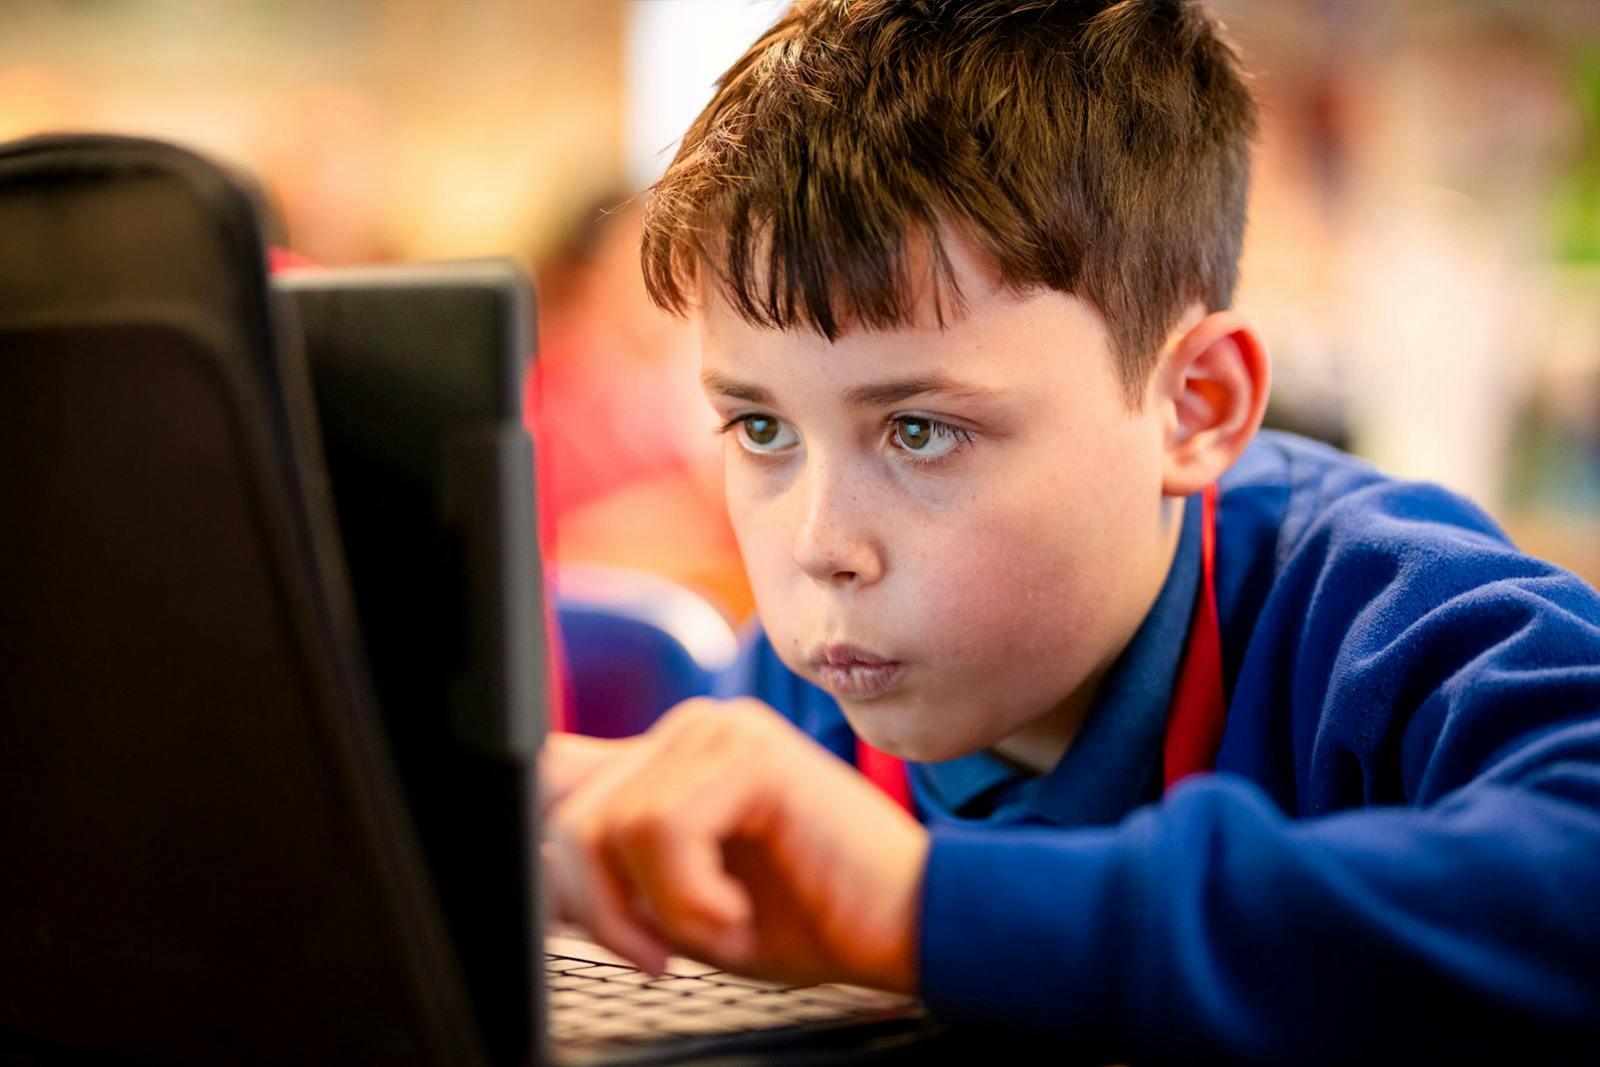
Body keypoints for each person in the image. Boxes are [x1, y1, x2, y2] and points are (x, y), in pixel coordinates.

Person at [540, 1, 1600, 1061]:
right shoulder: (799, 692)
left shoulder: (1385, 611)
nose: (818, 544)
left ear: (1195, 405)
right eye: (760, 426)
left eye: (918, 429)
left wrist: (926, 905)